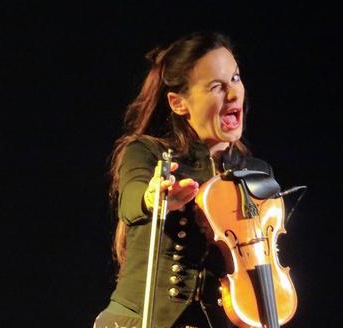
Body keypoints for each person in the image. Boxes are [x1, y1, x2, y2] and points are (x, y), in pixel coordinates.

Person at [93, 31, 277, 328]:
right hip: (141, 319)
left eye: (236, 79)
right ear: (179, 103)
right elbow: (130, 201)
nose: (233, 94)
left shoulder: (256, 173)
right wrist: (155, 198)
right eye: (217, 86)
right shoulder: (147, 152)